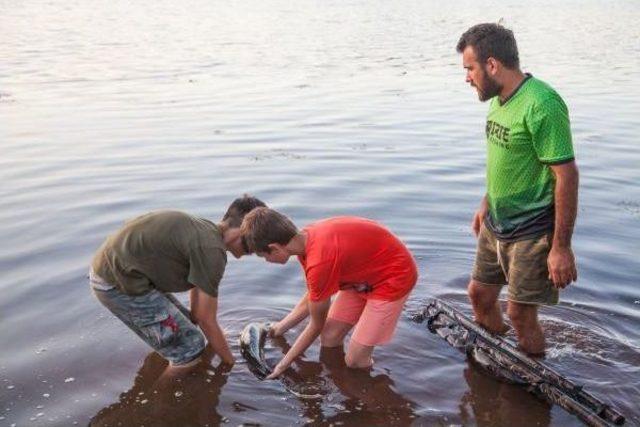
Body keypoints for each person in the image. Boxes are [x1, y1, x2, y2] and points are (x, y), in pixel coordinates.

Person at [456, 23, 579, 354]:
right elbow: (506, 159)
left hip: (532, 229)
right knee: (478, 295)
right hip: (497, 222)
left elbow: (566, 176)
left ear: (492, 65)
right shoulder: (497, 99)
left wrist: (561, 248)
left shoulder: (543, 104)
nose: (467, 77)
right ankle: (499, 359)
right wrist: (486, 202)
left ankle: (535, 378)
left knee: (520, 314)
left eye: (470, 68)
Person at [90, 195, 266, 368]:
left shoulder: (205, 231)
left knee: (188, 331)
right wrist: (230, 364)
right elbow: (207, 320)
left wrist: (199, 325)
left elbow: (198, 315)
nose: (252, 251)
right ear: (241, 232)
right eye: (251, 245)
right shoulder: (212, 251)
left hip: (121, 272)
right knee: (189, 350)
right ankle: (161, 395)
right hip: (118, 283)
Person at [240, 207, 418, 379]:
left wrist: (282, 365)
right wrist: (280, 328)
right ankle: (339, 379)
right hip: (360, 277)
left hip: (393, 276)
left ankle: (368, 388)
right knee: (330, 336)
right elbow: (315, 294)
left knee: (354, 361)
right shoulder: (304, 240)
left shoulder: (319, 261)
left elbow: (315, 325)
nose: (266, 261)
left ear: (275, 247)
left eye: (264, 256)